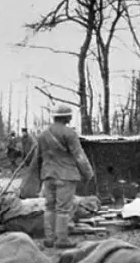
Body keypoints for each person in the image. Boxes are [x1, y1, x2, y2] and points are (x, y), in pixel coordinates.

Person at [30, 104, 93, 249]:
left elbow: (38, 158)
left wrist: (40, 177)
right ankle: (62, 239)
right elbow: (79, 156)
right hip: (66, 175)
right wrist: (88, 173)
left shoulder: (43, 134)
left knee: (49, 207)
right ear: (66, 117)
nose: (71, 118)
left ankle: (49, 239)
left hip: (48, 175)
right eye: (70, 115)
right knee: (63, 209)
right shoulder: (70, 134)